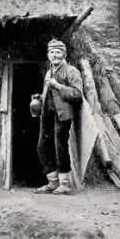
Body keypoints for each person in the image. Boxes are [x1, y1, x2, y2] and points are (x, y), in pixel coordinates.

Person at [32, 39, 83, 195]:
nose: (55, 55)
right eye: (52, 52)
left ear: (64, 54)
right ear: (48, 55)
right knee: (42, 147)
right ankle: (53, 182)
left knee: (59, 147)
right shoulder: (49, 72)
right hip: (47, 114)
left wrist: (57, 85)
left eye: (58, 52)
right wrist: (39, 98)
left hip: (62, 115)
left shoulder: (71, 71)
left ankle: (65, 184)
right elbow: (49, 94)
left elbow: (77, 94)